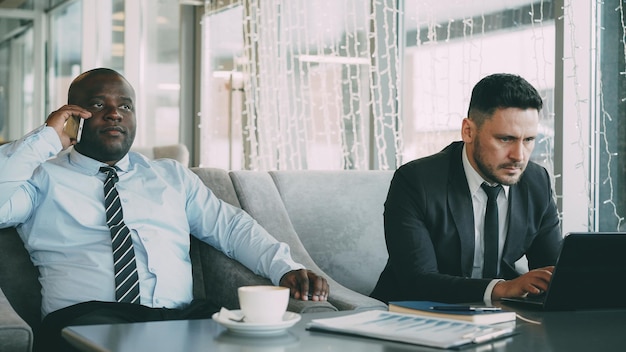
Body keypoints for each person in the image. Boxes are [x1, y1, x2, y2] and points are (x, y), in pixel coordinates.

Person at [0, 68, 329, 351]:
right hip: (86, 319)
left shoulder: (170, 175)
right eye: (98, 104)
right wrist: (44, 139)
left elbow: (230, 228)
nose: (115, 113)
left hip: (181, 317)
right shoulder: (41, 178)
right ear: (72, 116)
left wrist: (283, 267)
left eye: (125, 106)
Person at [370, 73, 563, 305]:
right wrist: (501, 289)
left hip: (503, 319)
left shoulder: (537, 182)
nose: (519, 156)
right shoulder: (415, 181)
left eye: (529, 140)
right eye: (505, 139)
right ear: (468, 131)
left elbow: (553, 272)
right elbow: (417, 281)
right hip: (413, 317)